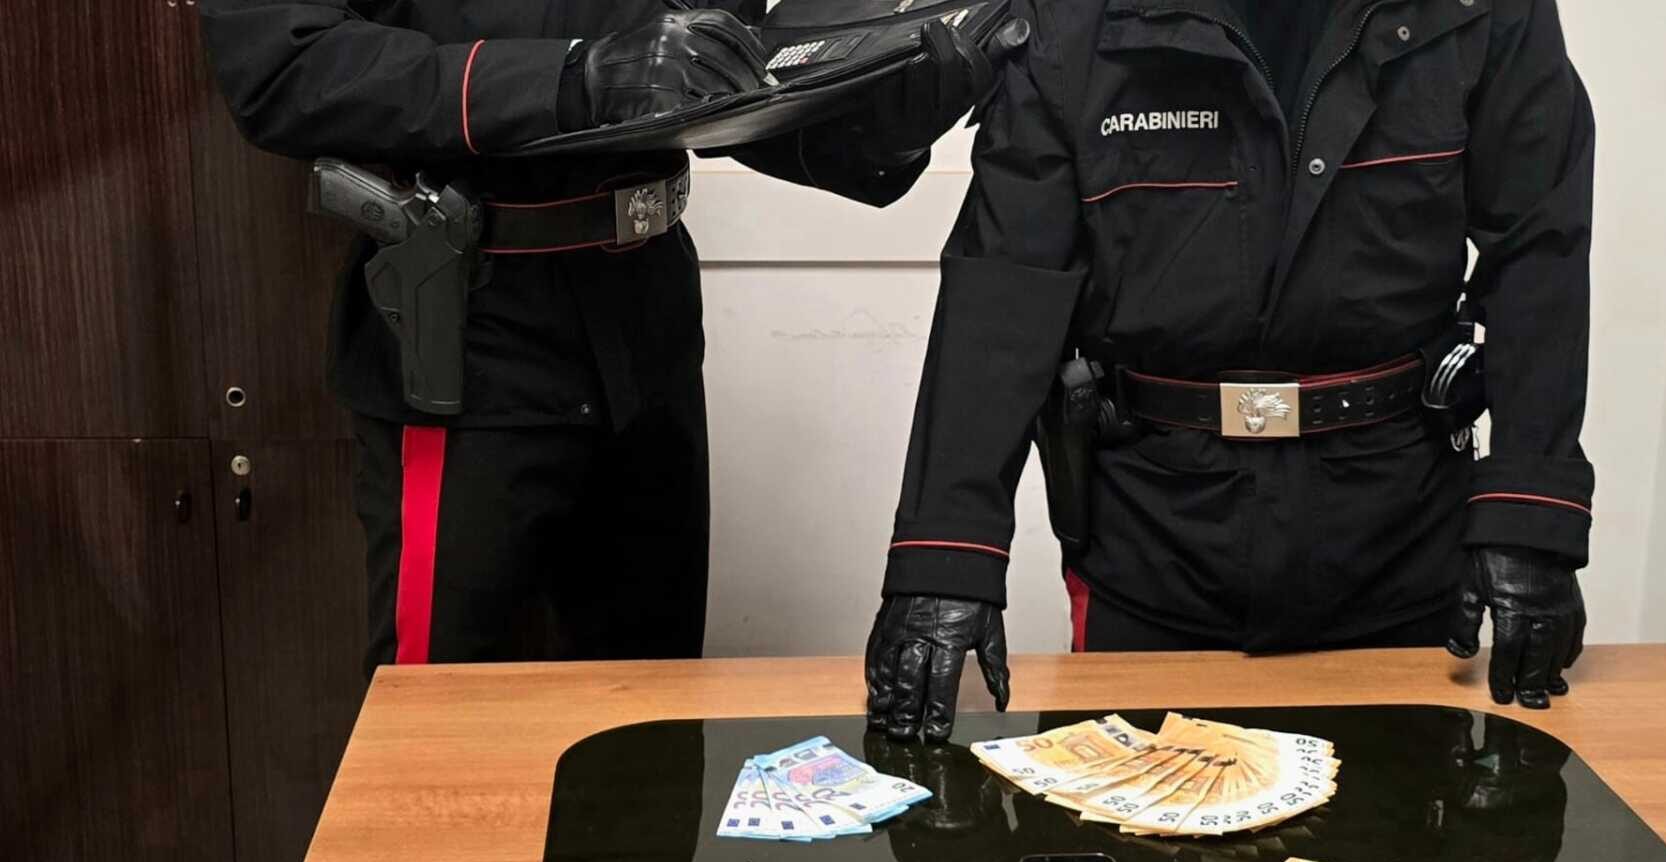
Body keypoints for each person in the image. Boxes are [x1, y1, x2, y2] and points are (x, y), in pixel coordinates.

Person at [865, 0, 1595, 742]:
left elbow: (1539, 251)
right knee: (1126, 806)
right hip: (1151, 539)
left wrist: (1532, 512)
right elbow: (1006, 286)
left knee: (1402, 812)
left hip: (1399, 532)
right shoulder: (1071, 17)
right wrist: (946, 555)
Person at [200, 0, 1003, 673]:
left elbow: (726, 70)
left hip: (644, 326)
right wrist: (569, 79)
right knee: (439, 728)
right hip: (466, 330)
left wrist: (878, 124)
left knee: (652, 726)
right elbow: (283, 63)